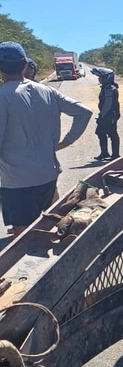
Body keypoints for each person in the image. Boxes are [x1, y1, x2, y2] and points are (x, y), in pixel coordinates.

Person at [0, 41, 92, 236]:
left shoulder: (2, 97)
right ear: (25, 64)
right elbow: (84, 112)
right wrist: (66, 142)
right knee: (49, 224)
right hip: (48, 175)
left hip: (17, 181)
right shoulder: (47, 91)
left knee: (23, 235)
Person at [91, 67, 120, 160]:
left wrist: (101, 116)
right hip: (107, 115)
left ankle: (115, 155)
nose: (99, 79)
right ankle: (104, 153)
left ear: (106, 78)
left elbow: (108, 104)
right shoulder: (106, 88)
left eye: (100, 77)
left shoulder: (109, 89)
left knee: (112, 134)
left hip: (109, 115)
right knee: (100, 132)